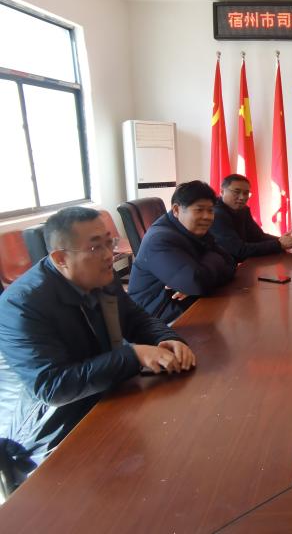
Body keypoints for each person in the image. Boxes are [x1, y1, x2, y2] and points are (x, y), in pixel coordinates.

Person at [0, 207, 195, 490]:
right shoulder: (22, 305)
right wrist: (134, 355)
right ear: (60, 258)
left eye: (109, 242)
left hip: (103, 396)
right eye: (95, 247)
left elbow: (135, 318)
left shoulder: (98, 274)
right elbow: (52, 388)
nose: (108, 255)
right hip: (48, 432)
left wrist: (167, 339)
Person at [128, 180, 236, 322]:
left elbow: (231, 264)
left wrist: (201, 278)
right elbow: (195, 283)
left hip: (185, 306)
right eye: (199, 210)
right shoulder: (159, 239)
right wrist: (208, 267)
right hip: (155, 318)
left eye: (210, 210)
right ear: (176, 210)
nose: (207, 217)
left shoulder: (194, 231)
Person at [210, 174, 292, 262]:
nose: (242, 197)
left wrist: (282, 240)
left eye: (246, 193)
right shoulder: (217, 215)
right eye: (237, 192)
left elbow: (258, 237)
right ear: (222, 192)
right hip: (222, 269)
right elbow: (239, 250)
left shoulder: (243, 210)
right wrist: (279, 244)